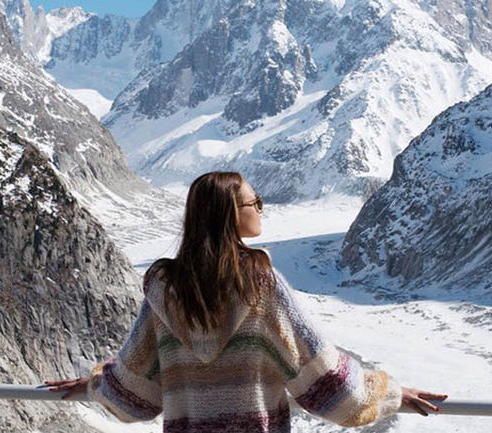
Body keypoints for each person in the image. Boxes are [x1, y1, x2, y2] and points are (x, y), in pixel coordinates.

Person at [44, 171, 447, 432]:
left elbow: (134, 396)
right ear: (230, 215)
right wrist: (391, 394)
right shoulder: (260, 285)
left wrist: (96, 383)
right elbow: (325, 383)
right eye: (255, 203)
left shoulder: (166, 290)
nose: (260, 209)